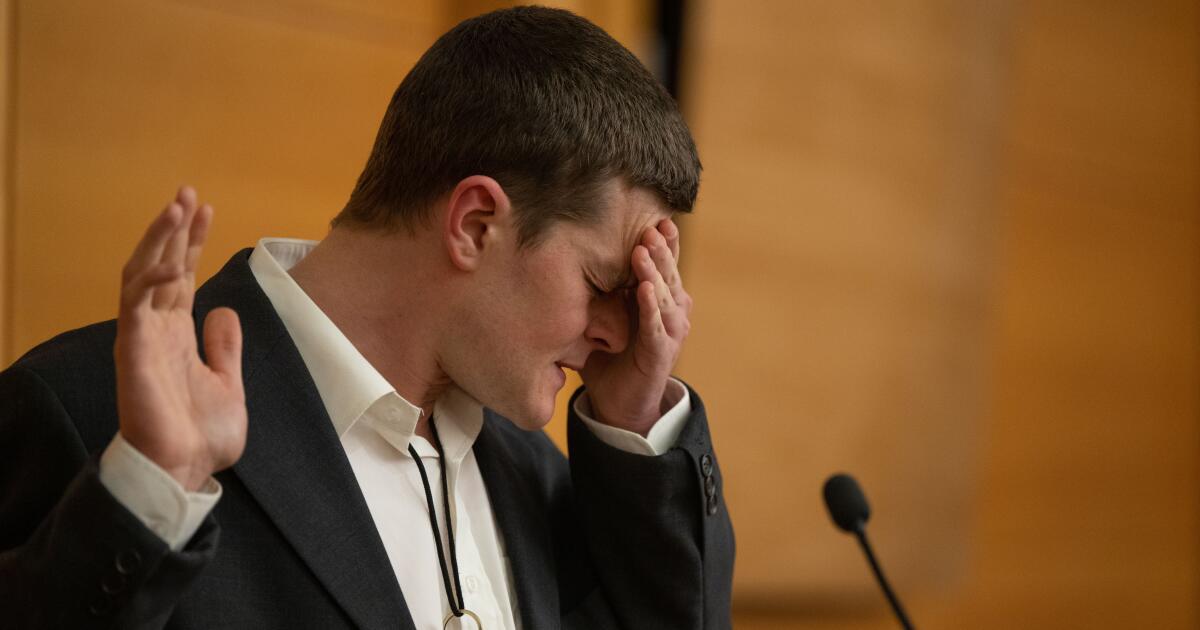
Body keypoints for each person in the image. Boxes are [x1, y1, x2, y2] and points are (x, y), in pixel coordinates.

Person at [0, 6, 733, 629]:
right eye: (603, 282)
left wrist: (635, 420)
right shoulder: (89, 417)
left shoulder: (537, 474)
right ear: (475, 224)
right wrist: (148, 495)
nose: (620, 331)